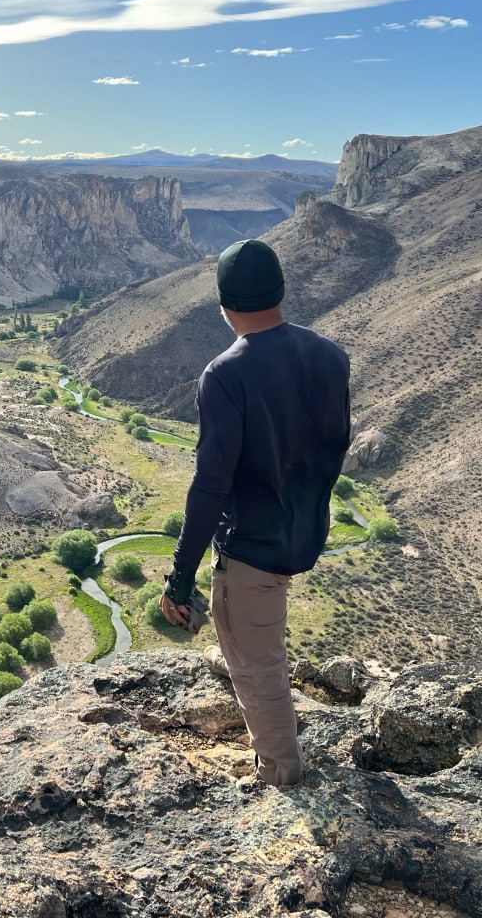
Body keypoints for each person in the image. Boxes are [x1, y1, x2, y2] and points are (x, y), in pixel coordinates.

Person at [161, 238, 350, 787]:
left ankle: (281, 777)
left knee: (257, 666)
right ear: (280, 291)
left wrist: (179, 578)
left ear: (224, 304)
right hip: (306, 530)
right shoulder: (330, 355)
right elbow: (333, 443)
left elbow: (210, 486)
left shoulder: (225, 374)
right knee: (265, 648)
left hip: (253, 550)